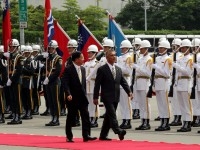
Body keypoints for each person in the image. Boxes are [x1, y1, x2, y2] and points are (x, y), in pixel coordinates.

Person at [93, 49, 133, 141]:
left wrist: (129, 92)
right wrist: (95, 97)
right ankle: (118, 131)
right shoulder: (102, 69)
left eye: (115, 55)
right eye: (111, 55)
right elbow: (97, 84)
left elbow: (123, 81)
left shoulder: (118, 69)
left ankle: (103, 135)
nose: (114, 57)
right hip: (106, 96)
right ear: (107, 58)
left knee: (108, 116)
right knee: (112, 114)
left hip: (116, 96)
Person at [62, 51, 97, 142]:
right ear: (76, 59)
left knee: (85, 116)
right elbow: (65, 83)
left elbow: (83, 84)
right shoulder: (68, 69)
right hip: (72, 98)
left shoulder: (83, 69)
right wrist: (68, 93)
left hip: (82, 98)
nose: (83, 59)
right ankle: (69, 136)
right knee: (71, 117)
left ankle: (86, 135)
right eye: (81, 57)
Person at [172, 39, 193, 132]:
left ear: (188, 48)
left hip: (186, 83)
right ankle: (184, 122)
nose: (182, 49)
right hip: (179, 83)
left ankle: (188, 123)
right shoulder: (180, 59)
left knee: (187, 105)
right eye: (182, 47)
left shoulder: (190, 59)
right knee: (182, 106)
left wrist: (176, 66)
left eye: (184, 47)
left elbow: (188, 72)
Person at [153, 40, 172, 131]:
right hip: (157, 82)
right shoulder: (157, 58)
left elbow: (166, 73)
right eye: (159, 48)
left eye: (162, 48)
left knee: (165, 104)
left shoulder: (168, 59)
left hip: (164, 82)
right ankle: (162, 122)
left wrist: (156, 67)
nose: (160, 49)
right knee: (160, 104)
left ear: (166, 49)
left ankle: (166, 123)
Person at [133, 40, 152, 130]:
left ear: (146, 49)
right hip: (138, 82)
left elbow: (148, 73)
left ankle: (147, 122)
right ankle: (142, 121)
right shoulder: (140, 59)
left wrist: (137, 67)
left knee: (145, 104)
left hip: (145, 82)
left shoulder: (149, 59)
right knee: (140, 104)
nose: (140, 50)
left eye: (142, 49)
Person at [42, 40, 62, 126]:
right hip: (48, 82)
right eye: (49, 48)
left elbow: (57, 71)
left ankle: (56, 118)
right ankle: (52, 116)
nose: (49, 50)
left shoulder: (58, 58)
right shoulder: (48, 58)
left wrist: (49, 78)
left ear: (55, 48)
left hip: (54, 82)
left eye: (51, 48)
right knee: (50, 100)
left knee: (55, 100)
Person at [4, 39, 24, 125]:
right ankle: (14, 114)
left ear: (16, 47)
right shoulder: (11, 56)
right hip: (11, 81)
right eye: (10, 46)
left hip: (16, 80)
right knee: (12, 99)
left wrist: (11, 79)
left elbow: (19, 70)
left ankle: (18, 116)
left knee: (17, 99)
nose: (10, 48)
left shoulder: (19, 57)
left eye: (12, 47)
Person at [117, 40, 133, 129]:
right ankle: (124, 119)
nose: (122, 49)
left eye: (124, 48)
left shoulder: (129, 58)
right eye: (122, 48)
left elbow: (128, 70)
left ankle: (128, 120)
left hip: (126, 81)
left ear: (128, 48)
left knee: (127, 103)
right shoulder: (120, 58)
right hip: (119, 82)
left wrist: (118, 68)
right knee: (122, 103)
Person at [83, 45, 99, 128]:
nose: (88, 54)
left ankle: (95, 119)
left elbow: (98, 76)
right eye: (88, 52)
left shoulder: (97, 64)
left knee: (94, 103)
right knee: (88, 104)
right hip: (87, 86)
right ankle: (90, 117)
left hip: (93, 85)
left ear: (95, 53)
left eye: (90, 53)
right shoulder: (86, 63)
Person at [169, 38, 183, 126]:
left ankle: (179, 117)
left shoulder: (181, 56)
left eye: (175, 46)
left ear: (179, 46)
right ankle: (175, 116)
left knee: (178, 101)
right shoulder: (171, 56)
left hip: (178, 79)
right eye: (172, 46)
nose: (173, 48)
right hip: (171, 80)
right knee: (173, 100)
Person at [21, 46, 36, 120]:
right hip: (23, 82)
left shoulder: (32, 61)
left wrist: (23, 69)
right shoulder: (23, 60)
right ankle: (26, 111)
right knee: (24, 98)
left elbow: (32, 72)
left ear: (30, 53)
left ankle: (30, 112)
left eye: (27, 52)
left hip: (29, 81)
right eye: (25, 52)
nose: (26, 54)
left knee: (29, 98)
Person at [131, 37, 142, 119]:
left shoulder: (141, 55)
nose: (135, 47)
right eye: (134, 45)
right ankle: (134, 109)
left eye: (137, 45)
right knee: (133, 95)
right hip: (133, 77)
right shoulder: (132, 55)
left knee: (138, 96)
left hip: (139, 77)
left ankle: (137, 110)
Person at [190, 38, 200, 127]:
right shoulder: (193, 56)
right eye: (193, 48)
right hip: (194, 81)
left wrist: (197, 66)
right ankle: (196, 117)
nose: (194, 49)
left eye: (195, 47)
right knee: (195, 101)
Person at [0, 45, 8, 123]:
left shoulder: (1, 61)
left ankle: (1, 116)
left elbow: (4, 74)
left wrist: (2, 83)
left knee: (0, 100)